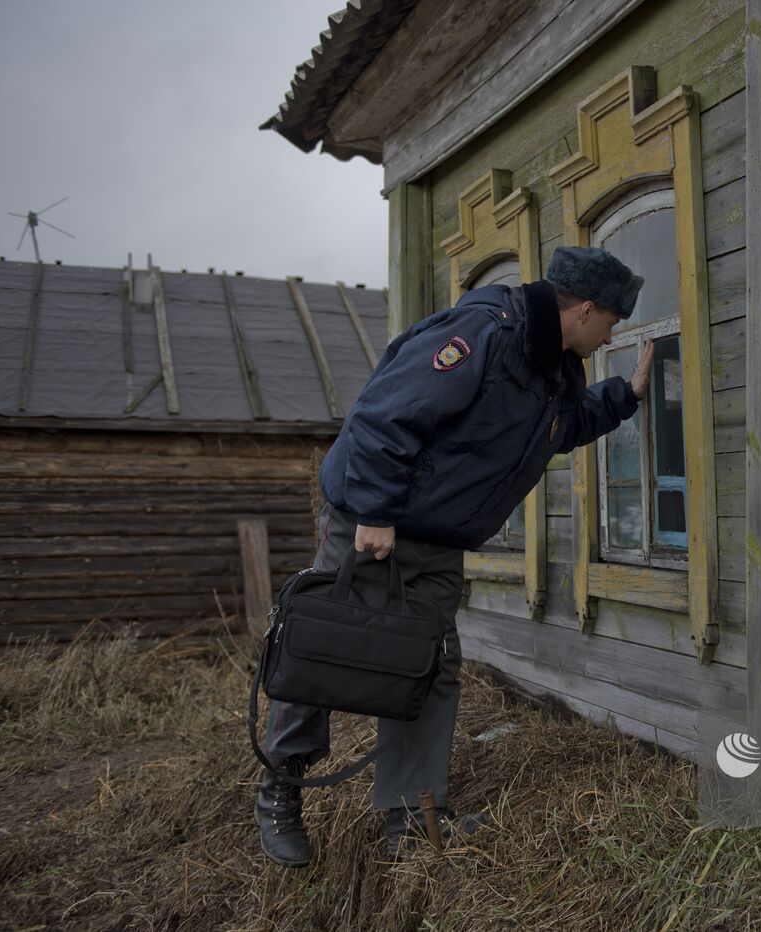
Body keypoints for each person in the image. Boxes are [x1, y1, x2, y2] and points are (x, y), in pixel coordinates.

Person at [256, 246, 655, 866]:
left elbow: (555, 429)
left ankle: (411, 814)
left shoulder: (555, 365)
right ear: (583, 309)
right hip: (373, 523)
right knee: (321, 647)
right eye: (613, 320)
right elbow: (384, 414)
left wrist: (623, 397)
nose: (615, 332)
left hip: (438, 540)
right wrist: (377, 509)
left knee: (430, 664)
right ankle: (281, 788)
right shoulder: (485, 332)